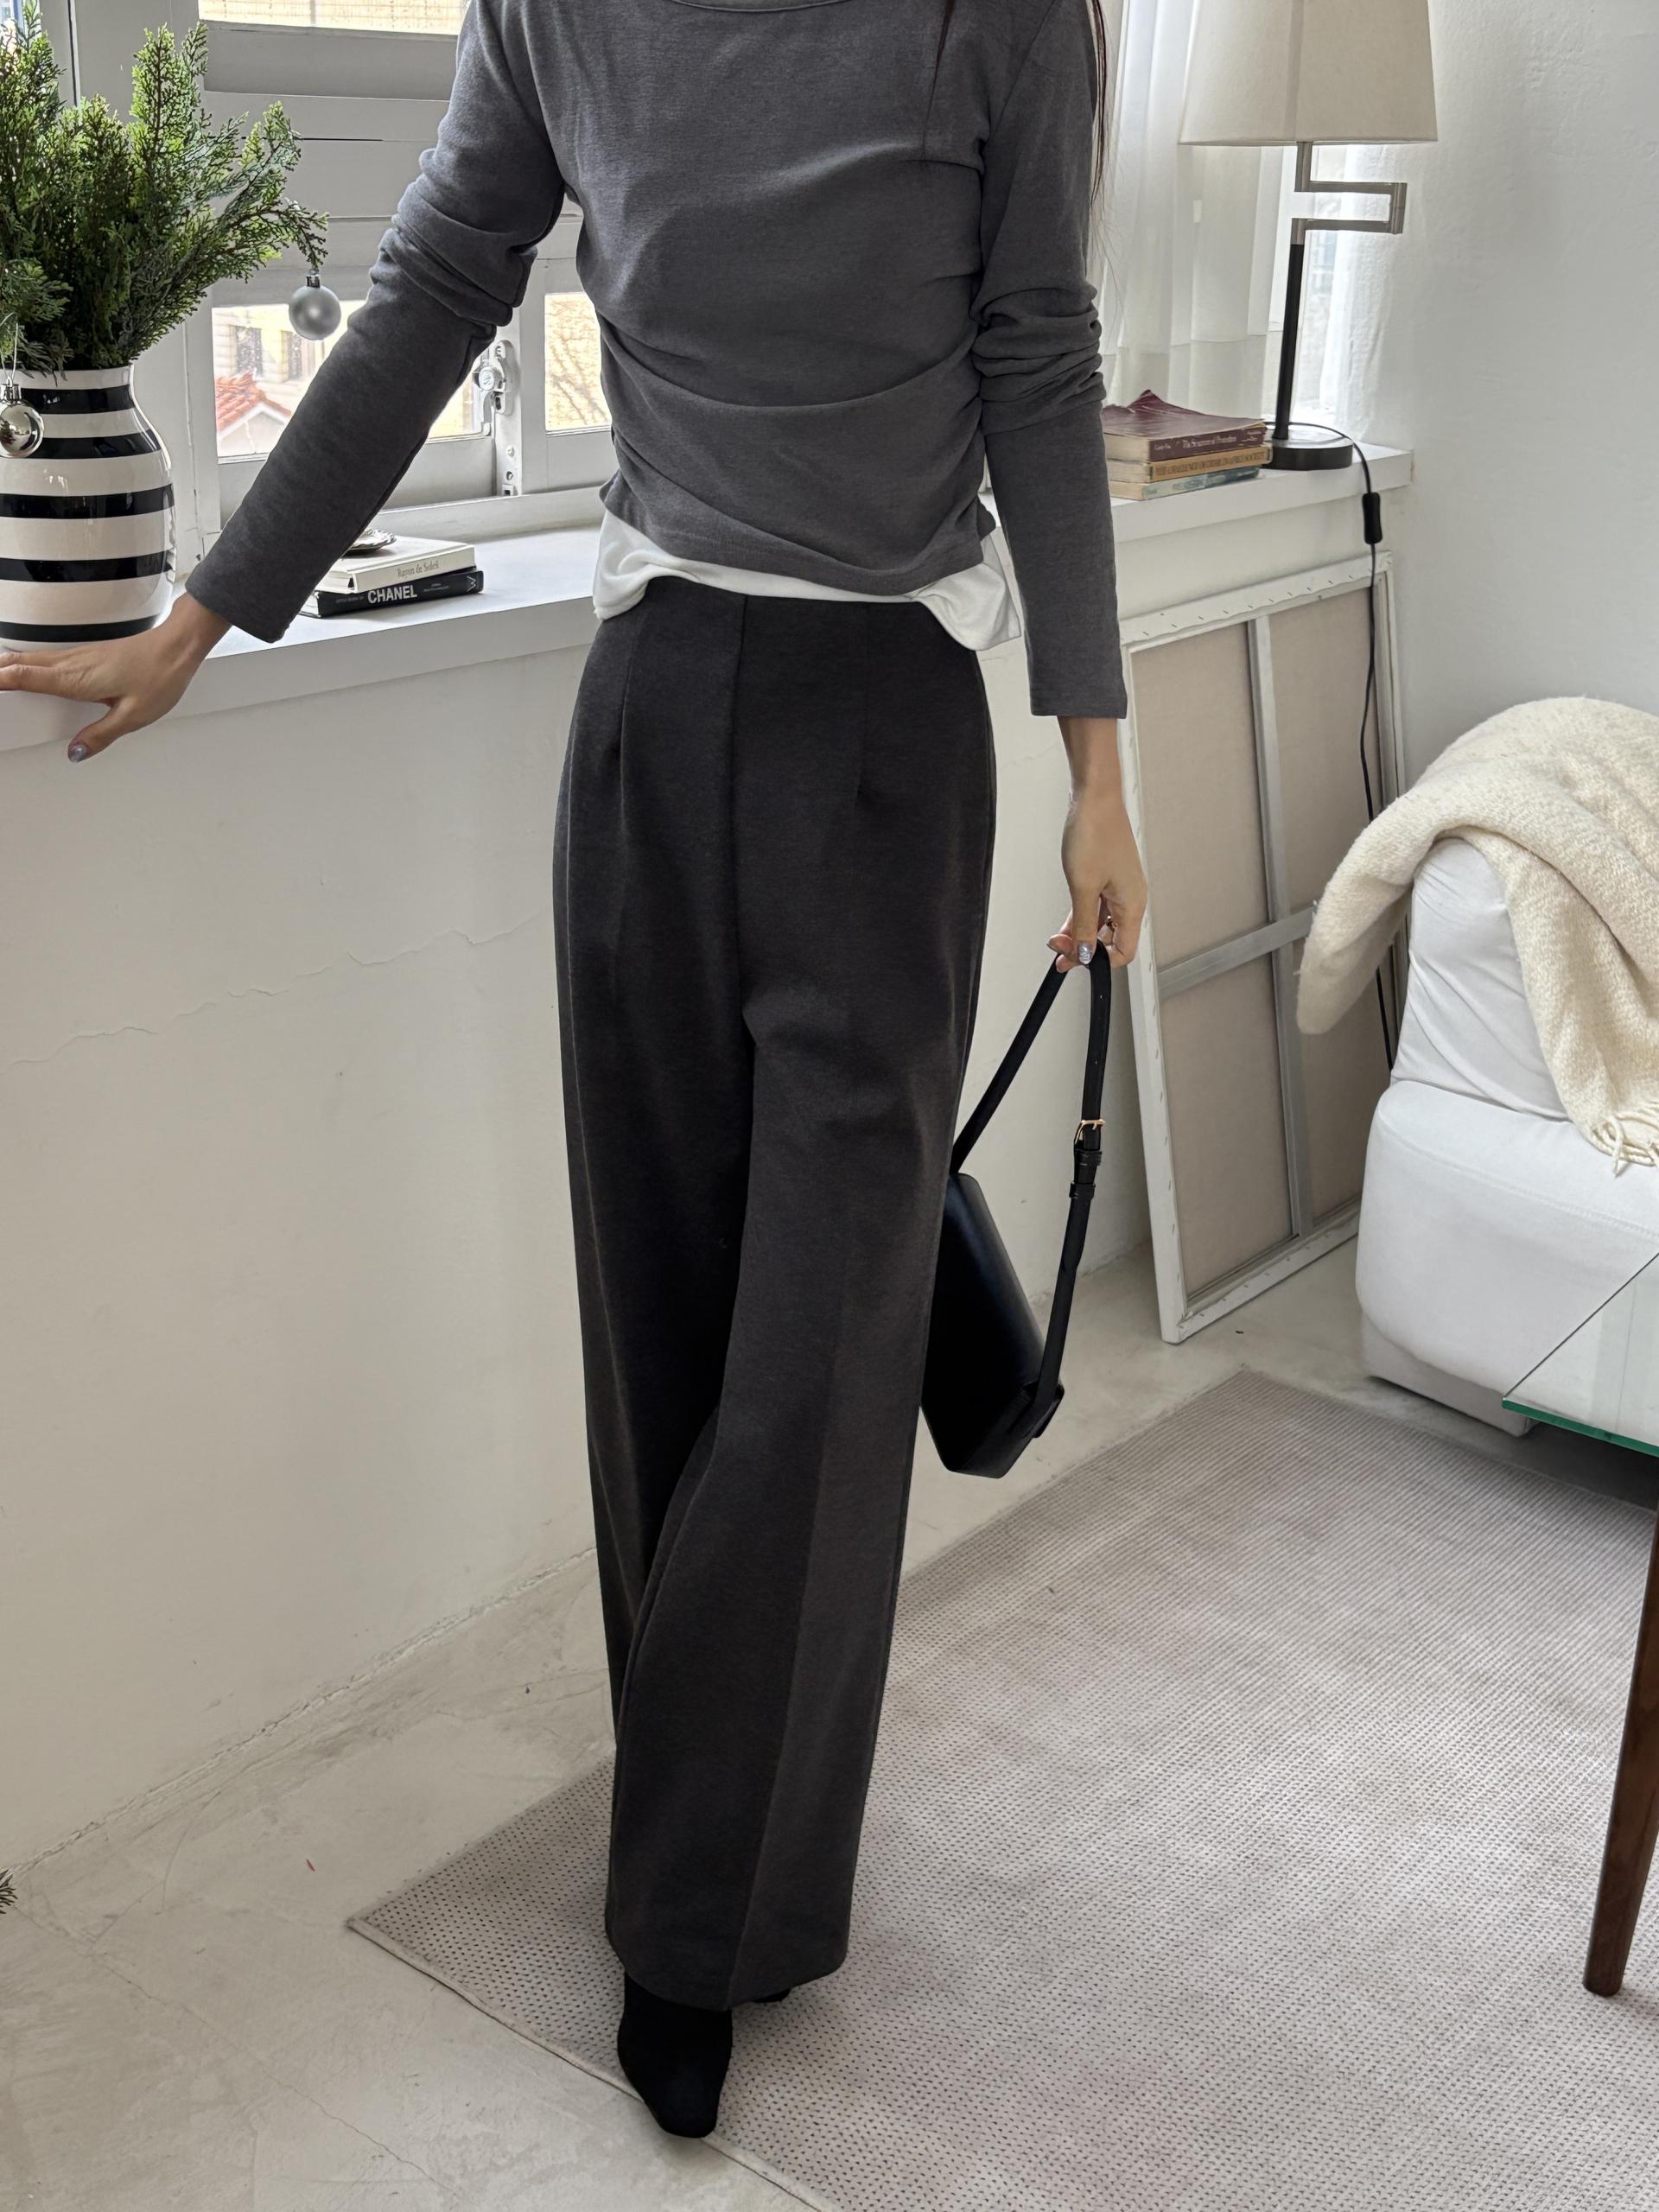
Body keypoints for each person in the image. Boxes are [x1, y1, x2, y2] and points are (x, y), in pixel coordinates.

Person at [0, 0, 1147, 2140]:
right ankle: (710, 1846)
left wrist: (1099, 762)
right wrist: (202, 616)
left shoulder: (995, 18)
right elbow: (438, 283)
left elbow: (1039, 358)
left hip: (891, 724)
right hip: (651, 709)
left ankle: (695, 1924)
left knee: (818, 1371)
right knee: (666, 1336)